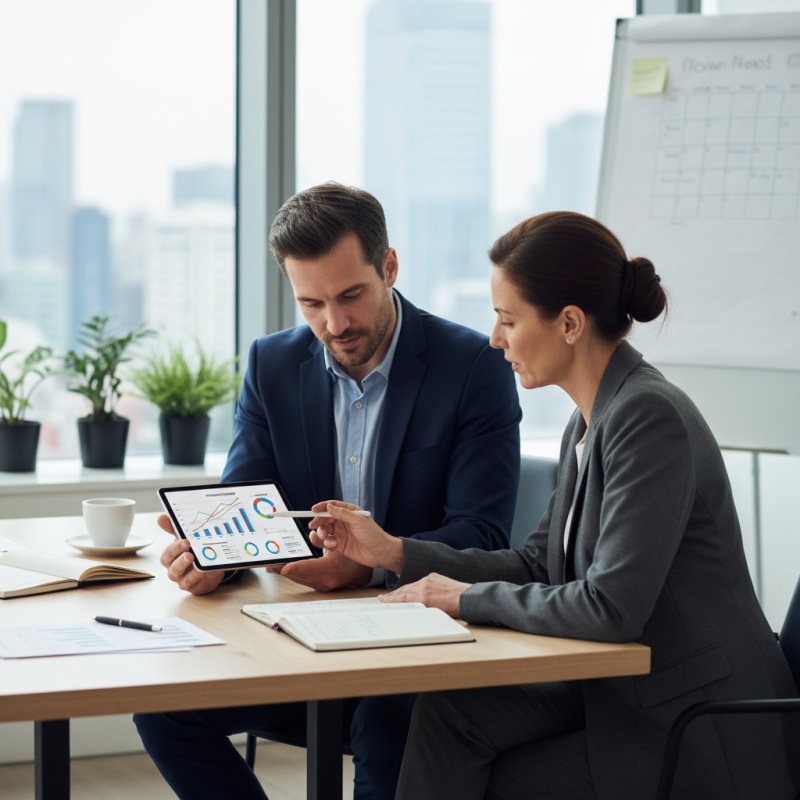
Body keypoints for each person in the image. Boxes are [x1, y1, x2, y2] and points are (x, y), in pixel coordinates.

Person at [308, 211, 800, 800]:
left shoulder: (648, 418)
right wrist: (395, 552)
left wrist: (462, 597)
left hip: (694, 721)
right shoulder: (589, 420)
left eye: (508, 319)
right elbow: (542, 564)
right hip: (623, 686)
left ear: (569, 322)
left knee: (496, 782)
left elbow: (610, 607)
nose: (495, 338)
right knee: (447, 715)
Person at [133, 182, 522, 800]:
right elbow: (247, 505)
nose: (334, 324)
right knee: (164, 710)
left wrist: (367, 569)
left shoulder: (474, 365)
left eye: (351, 296)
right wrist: (214, 557)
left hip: (414, 646)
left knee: (386, 720)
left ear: (389, 266)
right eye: (311, 303)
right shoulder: (271, 365)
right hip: (301, 640)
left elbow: (483, 534)